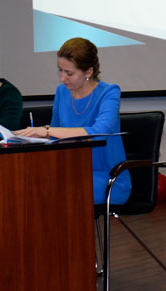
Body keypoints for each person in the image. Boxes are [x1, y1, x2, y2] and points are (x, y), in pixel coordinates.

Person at [16, 37, 131, 205]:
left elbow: (99, 133)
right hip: (69, 172)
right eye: (60, 70)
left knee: (53, 189)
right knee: (28, 183)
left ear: (88, 72)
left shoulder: (109, 92)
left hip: (108, 178)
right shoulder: (61, 92)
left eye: (69, 73)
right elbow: (54, 136)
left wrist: (47, 131)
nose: (62, 78)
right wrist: (31, 137)